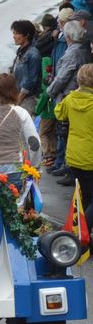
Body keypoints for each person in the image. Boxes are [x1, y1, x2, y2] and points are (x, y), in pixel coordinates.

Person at [47, 21, 92, 186]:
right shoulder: (84, 49)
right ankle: (68, 167)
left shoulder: (73, 52)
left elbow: (63, 76)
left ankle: (70, 169)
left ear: (68, 36)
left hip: (69, 95)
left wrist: (50, 91)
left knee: (66, 132)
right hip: (76, 93)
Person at [54, 63, 93, 233]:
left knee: (84, 195)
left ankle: (82, 233)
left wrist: (73, 93)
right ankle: (80, 233)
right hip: (90, 157)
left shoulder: (70, 99)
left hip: (74, 155)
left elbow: (58, 113)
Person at [10, 20, 42, 116]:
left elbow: (31, 80)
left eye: (17, 33)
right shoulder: (21, 51)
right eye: (13, 33)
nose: (14, 36)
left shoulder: (33, 54)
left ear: (26, 35)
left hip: (28, 99)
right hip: (19, 97)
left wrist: (19, 99)